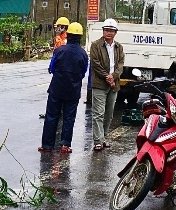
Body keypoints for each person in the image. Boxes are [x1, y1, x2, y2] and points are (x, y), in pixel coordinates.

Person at [39, 22, 89, 154]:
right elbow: (84, 72)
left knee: (51, 116)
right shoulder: (84, 54)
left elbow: (52, 68)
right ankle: (65, 145)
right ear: (80, 37)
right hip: (73, 91)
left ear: (69, 35)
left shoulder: (59, 50)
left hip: (56, 89)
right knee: (69, 118)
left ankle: (47, 145)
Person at [89, 18, 124, 152]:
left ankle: (103, 137)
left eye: (111, 30)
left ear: (115, 32)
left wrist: (113, 76)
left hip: (114, 84)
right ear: (103, 31)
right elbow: (95, 63)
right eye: (106, 30)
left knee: (109, 114)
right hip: (100, 84)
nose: (109, 33)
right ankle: (98, 141)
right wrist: (106, 76)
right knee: (98, 113)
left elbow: (120, 64)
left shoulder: (118, 47)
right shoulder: (96, 45)